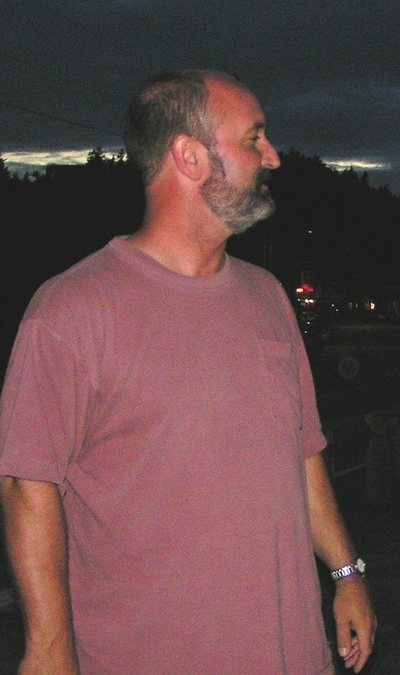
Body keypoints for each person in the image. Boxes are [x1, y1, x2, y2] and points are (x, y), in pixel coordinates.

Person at [0, 69, 376, 674]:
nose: (273, 157)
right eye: (254, 139)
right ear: (191, 157)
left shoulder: (267, 296)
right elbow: (27, 484)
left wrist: (347, 571)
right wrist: (48, 650)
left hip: (291, 653)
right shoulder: (72, 308)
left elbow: (302, 451)